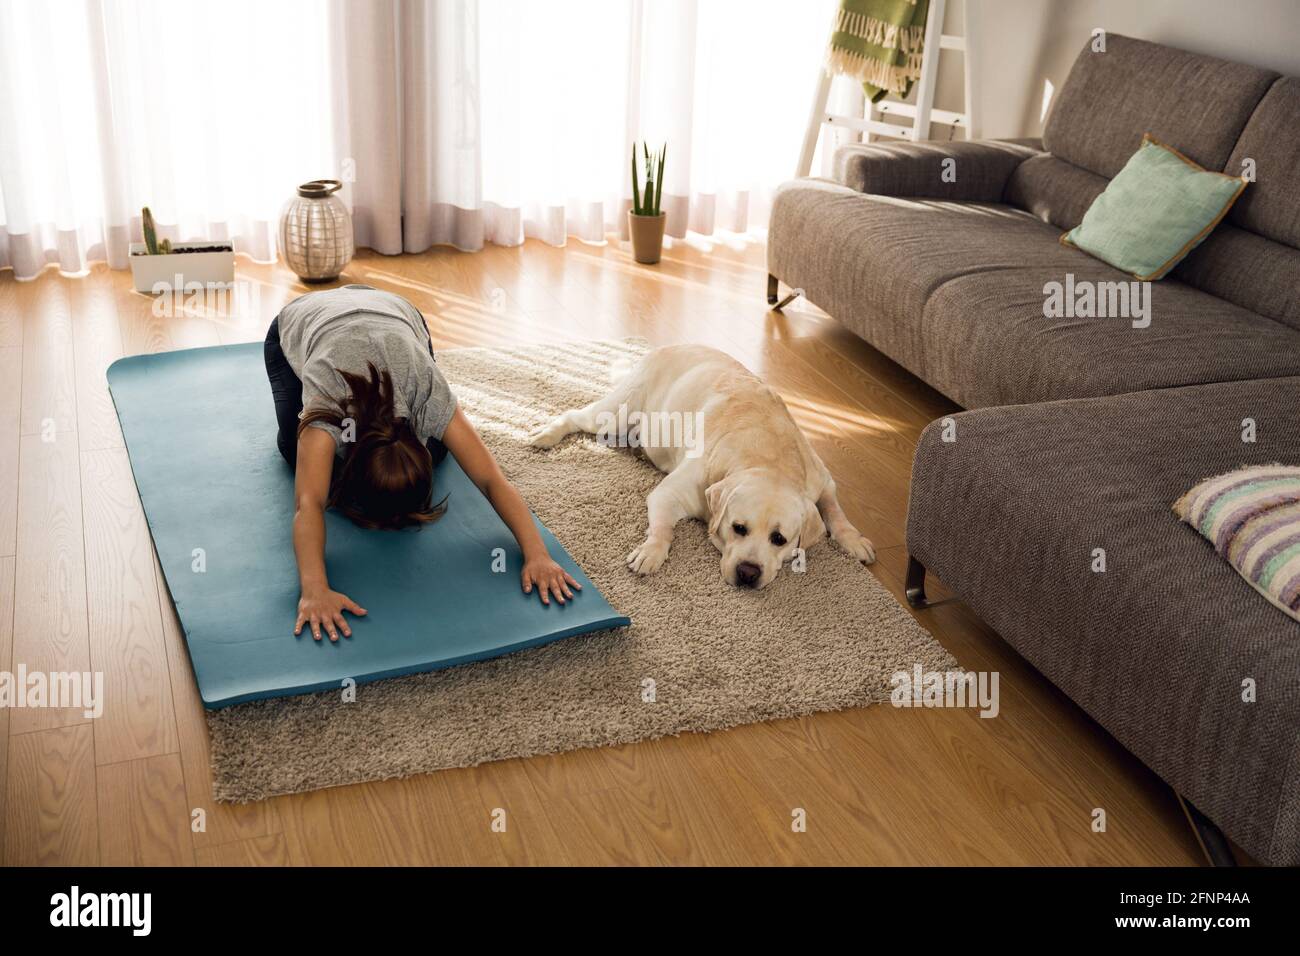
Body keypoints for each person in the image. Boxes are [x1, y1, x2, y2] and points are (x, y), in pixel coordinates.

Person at [262, 284, 580, 641]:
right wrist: (314, 589)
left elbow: (492, 479)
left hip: (393, 311)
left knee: (444, 448)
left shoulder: (428, 392)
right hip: (303, 319)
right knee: (296, 452)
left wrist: (537, 554)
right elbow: (309, 504)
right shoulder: (328, 414)